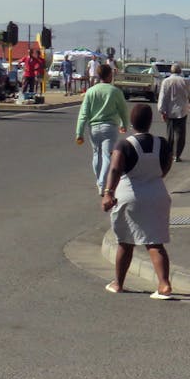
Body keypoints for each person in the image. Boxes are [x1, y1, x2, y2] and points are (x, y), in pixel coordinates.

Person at [100, 103, 174, 298]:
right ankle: (164, 284)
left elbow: (115, 169)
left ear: (131, 122)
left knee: (125, 242)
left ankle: (118, 283)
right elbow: (166, 167)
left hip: (130, 196)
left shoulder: (124, 145)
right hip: (157, 194)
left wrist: (108, 192)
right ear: (150, 122)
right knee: (155, 243)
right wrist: (154, 179)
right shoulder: (162, 143)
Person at [75, 64, 130, 195]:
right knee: (107, 156)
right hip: (109, 128)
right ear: (109, 75)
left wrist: (79, 132)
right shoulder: (115, 91)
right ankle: (102, 184)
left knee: (96, 154)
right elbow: (123, 110)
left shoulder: (91, 91)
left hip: (93, 128)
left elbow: (83, 113)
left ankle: (99, 179)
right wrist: (124, 124)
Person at [157, 63, 190, 162]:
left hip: (169, 111)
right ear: (180, 71)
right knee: (180, 134)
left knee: (170, 134)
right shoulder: (185, 81)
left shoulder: (166, 81)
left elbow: (162, 96)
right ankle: (177, 155)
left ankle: (169, 154)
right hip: (182, 111)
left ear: (171, 71)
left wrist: (162, 110)